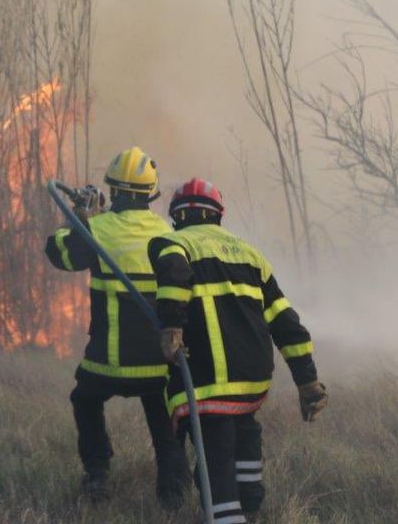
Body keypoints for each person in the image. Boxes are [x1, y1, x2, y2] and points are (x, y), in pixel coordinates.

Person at [149, 178, 327, 524]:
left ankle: (229, 513)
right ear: (217, 215)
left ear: (177, 217)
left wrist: (171, 325)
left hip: (206, 378)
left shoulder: (174, 243)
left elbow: (173, 274)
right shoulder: (249, 253)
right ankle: (251, 506)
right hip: (251, 379)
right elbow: (285, 321)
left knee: (215, 458)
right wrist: (307, 380)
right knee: (244, 433)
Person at [44, 147, 189, 507]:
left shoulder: (96, 229)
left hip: (107, 362)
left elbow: (58, 253)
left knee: (85, 399)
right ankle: (172, 494)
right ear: (150, 194)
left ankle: (97, 476)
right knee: (164, 418)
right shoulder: (168, 233)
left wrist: (78, 217)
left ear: (114, 189)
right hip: (158, 363)